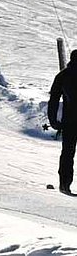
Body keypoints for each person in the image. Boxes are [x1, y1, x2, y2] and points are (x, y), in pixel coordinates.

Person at [48, 49, 77, 195]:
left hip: (69, 121)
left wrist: (53, 120)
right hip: (70, 121)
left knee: (67, 153)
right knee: (67, 153)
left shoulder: (63, 75)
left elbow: (53, 99)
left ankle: (65, 185)